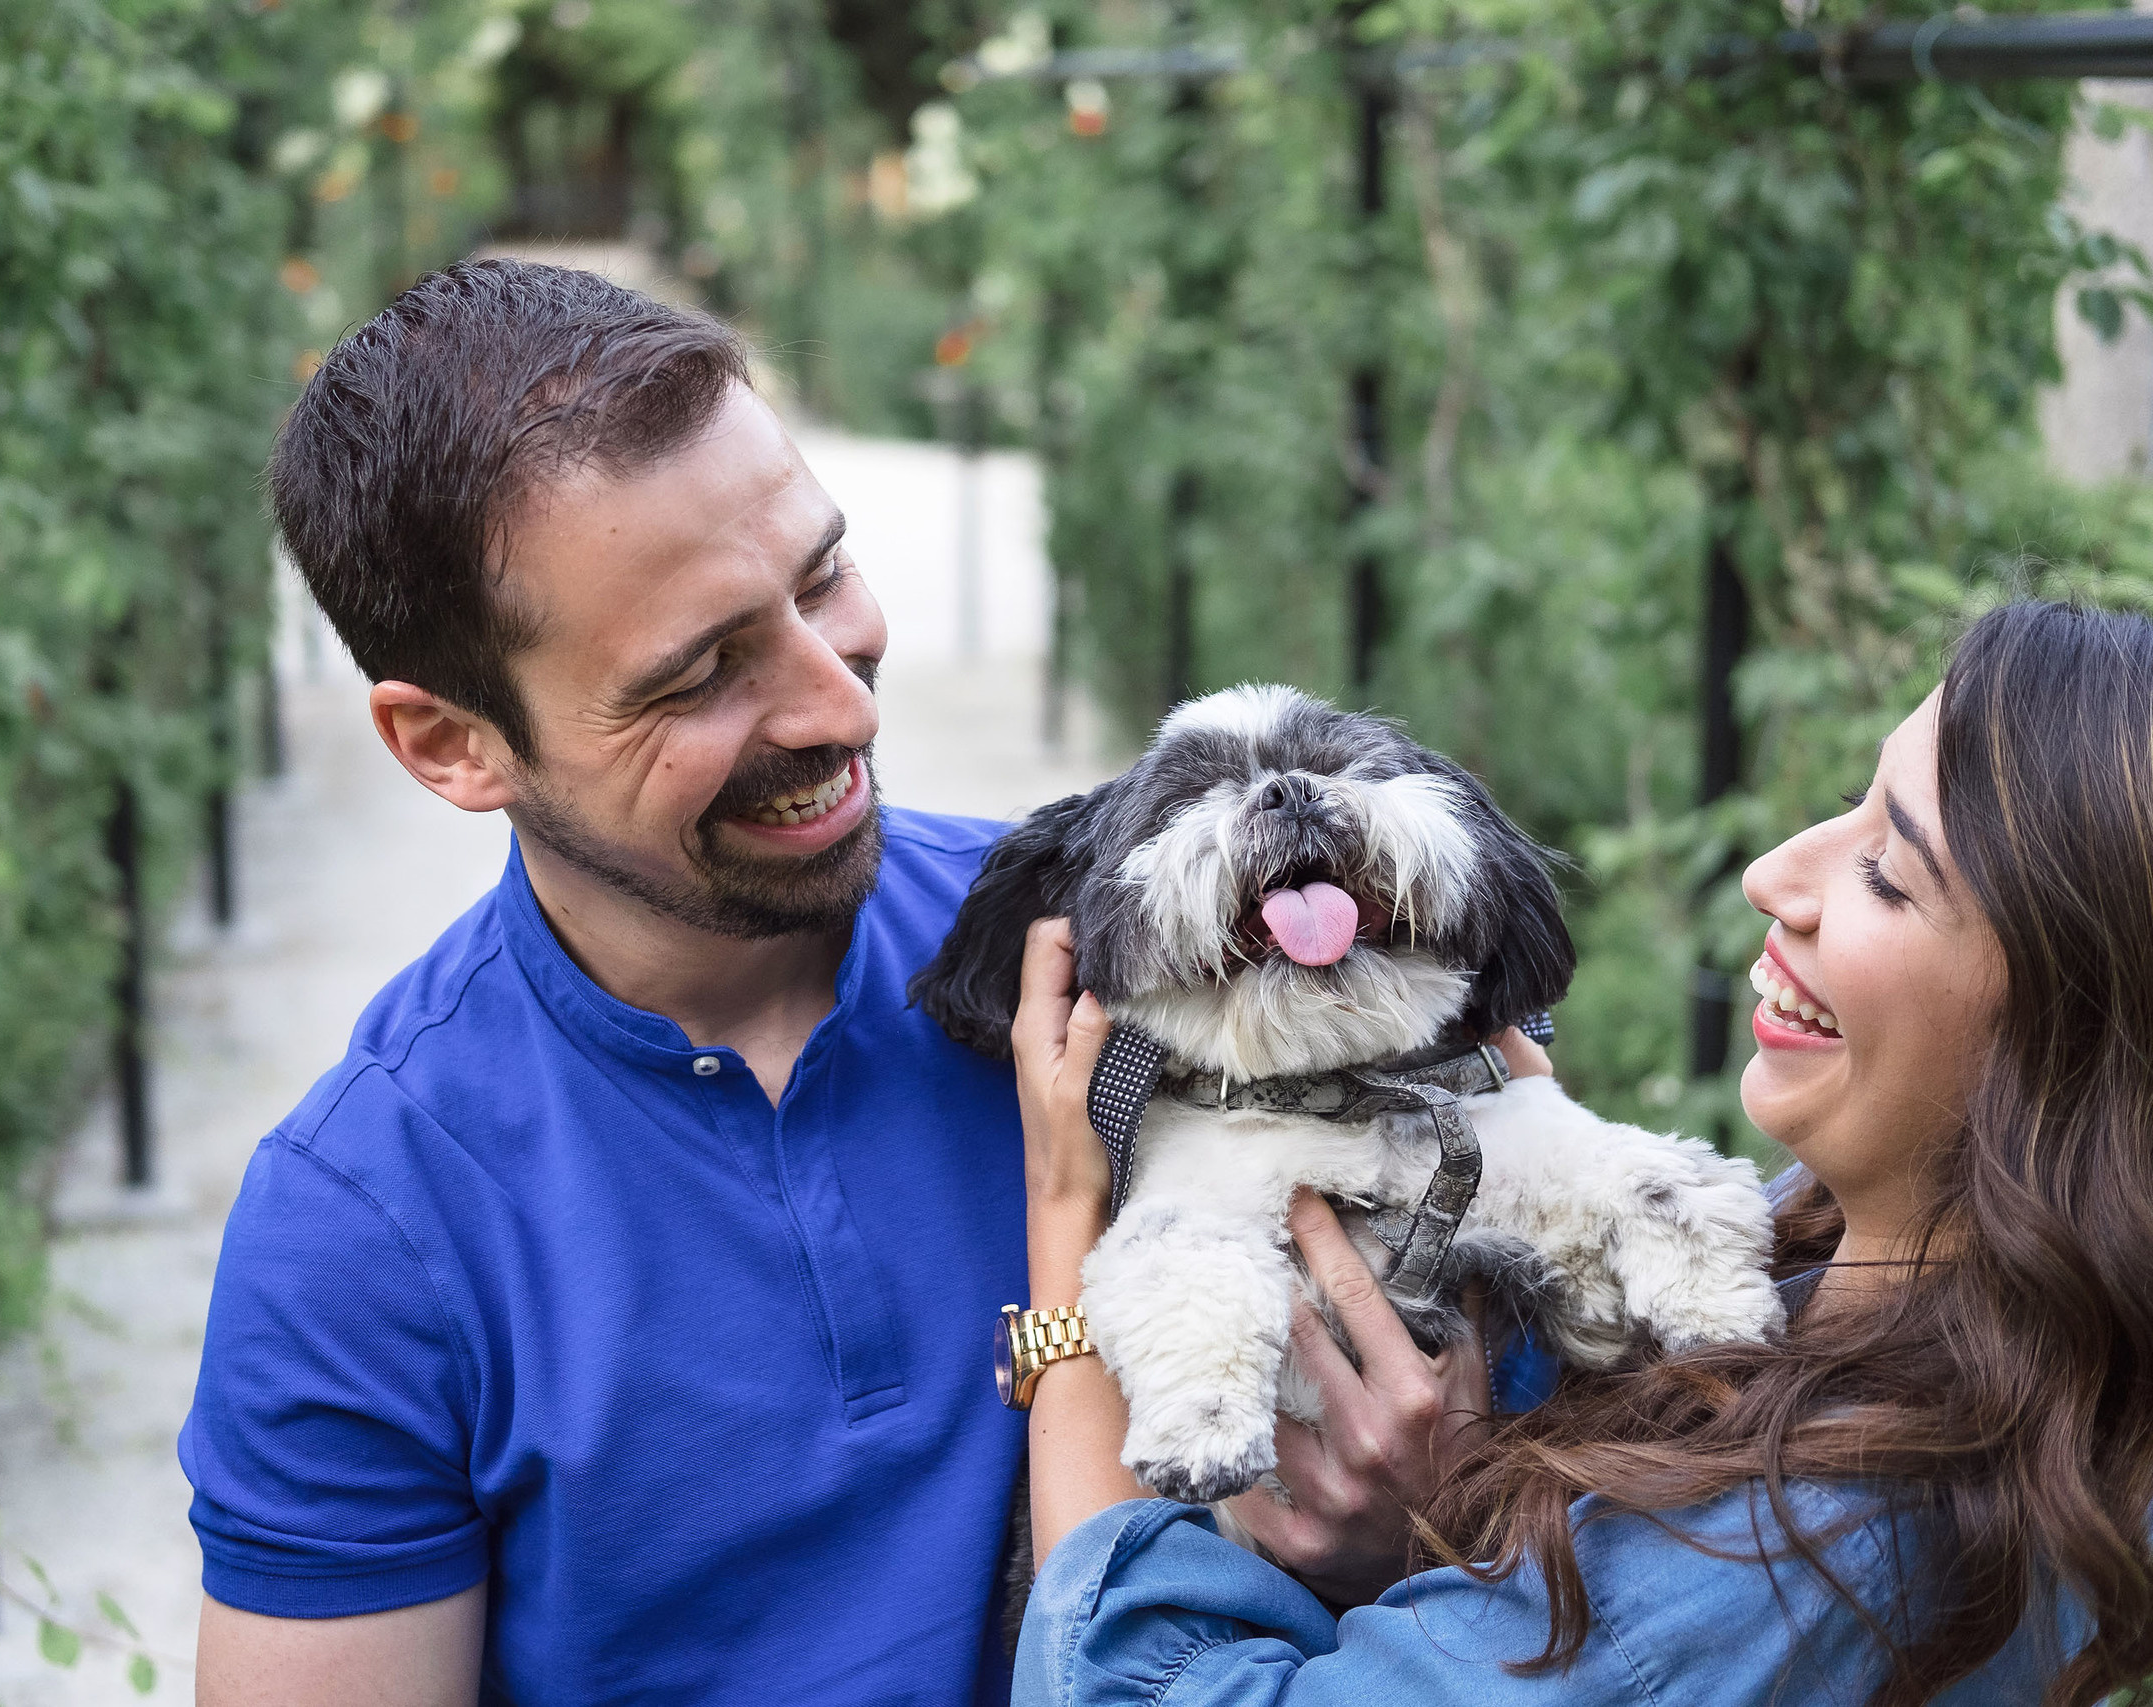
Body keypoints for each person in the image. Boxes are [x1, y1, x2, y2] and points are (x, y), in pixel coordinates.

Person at [1005, 597, 2153, 1705]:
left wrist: (1065, 1247)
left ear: (2067, 1037)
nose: (1773, 876)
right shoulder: (1881, 1285)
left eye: (1885, 871)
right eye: (1851, 803)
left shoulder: (1784, 1566)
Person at [179, 260, 1038, 1704]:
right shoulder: (370, 1230)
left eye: (821, 571)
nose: (843, 699)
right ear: (454, 743)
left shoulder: (1106, 939)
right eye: (699, 672)